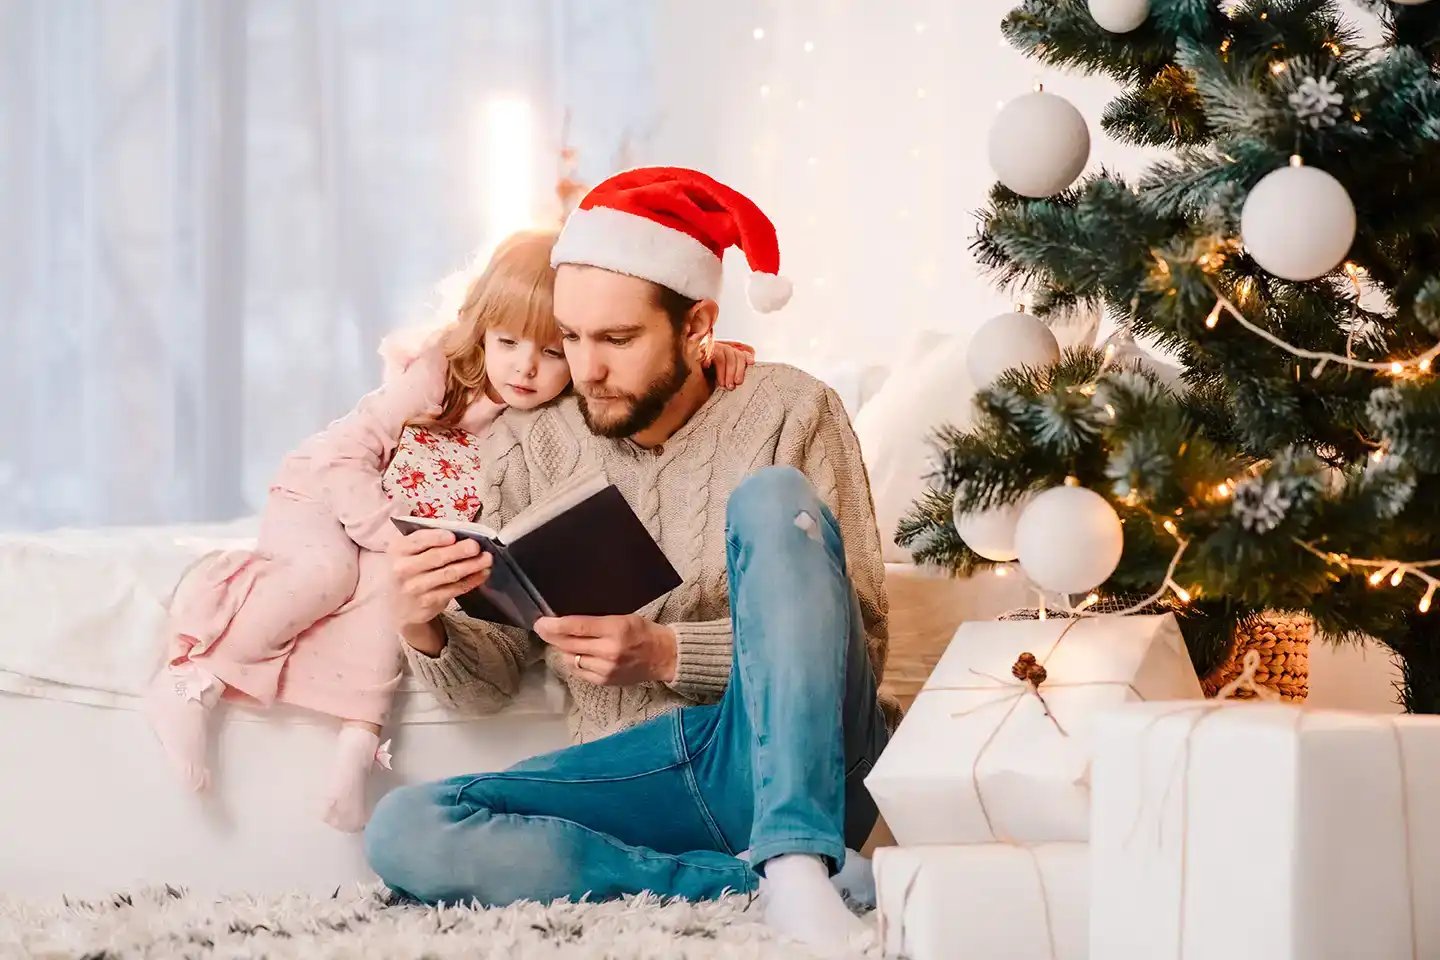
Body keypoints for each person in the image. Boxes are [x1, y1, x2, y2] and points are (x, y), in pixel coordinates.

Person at [365, 167, 896, 955]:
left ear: (696, 327)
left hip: (795, 756)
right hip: (640, 772)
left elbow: (861, 640)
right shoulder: (530, 440)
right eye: (569, 338)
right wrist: (422, 626)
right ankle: (748, 882)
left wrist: (666, 652)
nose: (586, 370)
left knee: (770, 496)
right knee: (406, 828)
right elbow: (492, 682)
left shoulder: (789, 407)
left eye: (617, 340)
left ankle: (795, 848)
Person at [143, 227, 755, 832]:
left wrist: (712, 353)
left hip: (400, 530)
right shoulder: (437, 376)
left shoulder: (554, 415)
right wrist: (388, 538)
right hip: (329, 493)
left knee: (398, 610)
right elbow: (344, 457)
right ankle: (196, 679)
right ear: (480, 327)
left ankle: (356, 751)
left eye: (551, 352)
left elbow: (641, 367)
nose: (524, 368)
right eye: (508, 342)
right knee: (327, 574)